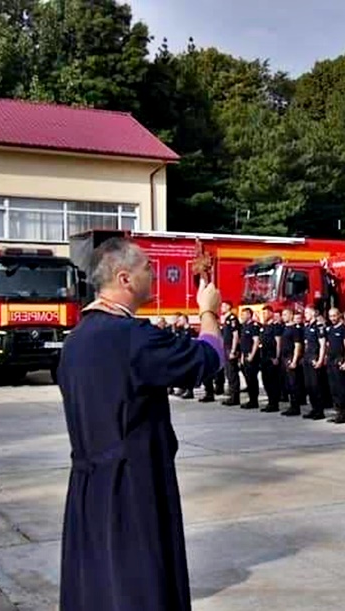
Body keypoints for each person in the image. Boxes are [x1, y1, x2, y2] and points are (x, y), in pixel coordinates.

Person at [57, 237, 224, 611]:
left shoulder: (75, 340)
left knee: (96, 587)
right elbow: (208, 358)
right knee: (140, 586)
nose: (154, 275)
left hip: (88, 485)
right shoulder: (132, 337)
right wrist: (208, 312)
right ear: (125, 278)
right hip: (132, 484)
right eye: (147, 268)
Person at [325, 307, 345, 424]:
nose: (332, 318)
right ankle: (338, 412)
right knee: (333, 388)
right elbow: (328, 345)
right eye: (330, 316)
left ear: (339, 315)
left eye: (334, 316)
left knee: (341, 388)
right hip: (331, 362)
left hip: (340, 361)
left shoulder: (344, 329)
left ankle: (344, 413)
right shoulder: (330, 329)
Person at [302, 305, 328, 420]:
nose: (305, 315)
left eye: (307, 313)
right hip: (307, 358)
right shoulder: (307, 326)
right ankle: (314, 408)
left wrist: (320, 359)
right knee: (309, 386)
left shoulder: (319, 326)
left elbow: (322, 345)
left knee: (316, 385)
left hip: (315, 358)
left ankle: (319, 411)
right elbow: (306, 343)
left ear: (313, 313)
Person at [280, 308, 305, 417]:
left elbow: (297, 345)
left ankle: (295, 407)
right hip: (284, 358)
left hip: (291, 357)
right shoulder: (285, 328)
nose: (283, 316)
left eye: (285, 314)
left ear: (291, 315)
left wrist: (294, 360)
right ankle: (292, 405)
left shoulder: (295, 329)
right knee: (288, 384)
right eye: (282, 315)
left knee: (294, 383)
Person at [259, 307, 283, 413]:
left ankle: (274, 403)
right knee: (266, 381)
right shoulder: (264, 327)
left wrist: (277, 357)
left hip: (272, 357)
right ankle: (270, 402)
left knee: (273, 381)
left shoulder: (275, 326)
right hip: (264, 357)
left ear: (271, 313)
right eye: (263, 313)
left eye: (265, 313)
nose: (264, 315)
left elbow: (278, 342)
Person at [219, 301, 241, 406]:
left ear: (228, 307)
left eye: (223, 306)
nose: (221, 308)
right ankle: (232, 395)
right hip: (226, 347)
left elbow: (235, 335)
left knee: (232, 373)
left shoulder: (232, 318)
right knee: (228, 373)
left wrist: (233, 350)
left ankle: (235, 397)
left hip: (230, 348)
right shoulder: (226, 319)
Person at [239, 308, 262, 410]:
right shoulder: (244, 326)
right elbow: (243, 343)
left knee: (252, 379)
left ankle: (254, 401)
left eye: (244, 314)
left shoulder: (254, 326)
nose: (242, 316)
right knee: (248, 378)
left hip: (251, 357)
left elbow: (256, 341)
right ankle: (251, 399)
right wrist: (242, 357)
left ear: (249, 315)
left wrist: (252, 355)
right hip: (245, 356)